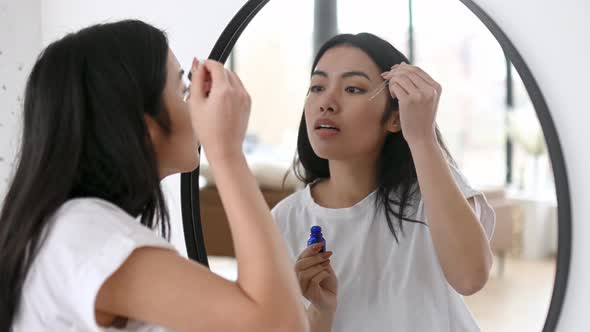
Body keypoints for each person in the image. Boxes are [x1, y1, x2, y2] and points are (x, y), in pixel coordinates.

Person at [0, 20, 308, 332]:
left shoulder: (73, 229)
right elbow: (280, 326)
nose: (195, 105)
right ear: (142, 126)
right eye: (183, 89)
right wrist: (226, 152)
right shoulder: (81, 231)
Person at [272, 33, 496, 332]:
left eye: (352, 88)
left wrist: (421, 136)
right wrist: (320, 311)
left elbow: (470, 278)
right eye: (317, 87)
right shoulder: (285, 219)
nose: (326, 102)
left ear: (395, 117)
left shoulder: (431, 189)